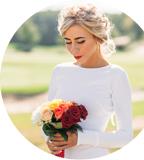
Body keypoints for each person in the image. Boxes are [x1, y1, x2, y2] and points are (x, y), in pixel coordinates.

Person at [45, 4, 133, 159]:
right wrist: (50, 139)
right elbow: (46, 119)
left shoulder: (115, 75)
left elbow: (125, 136)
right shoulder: (59, 71)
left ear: (98, 37)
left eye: (80, 41)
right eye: (68, 41)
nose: (73, 49)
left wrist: (80, 138)